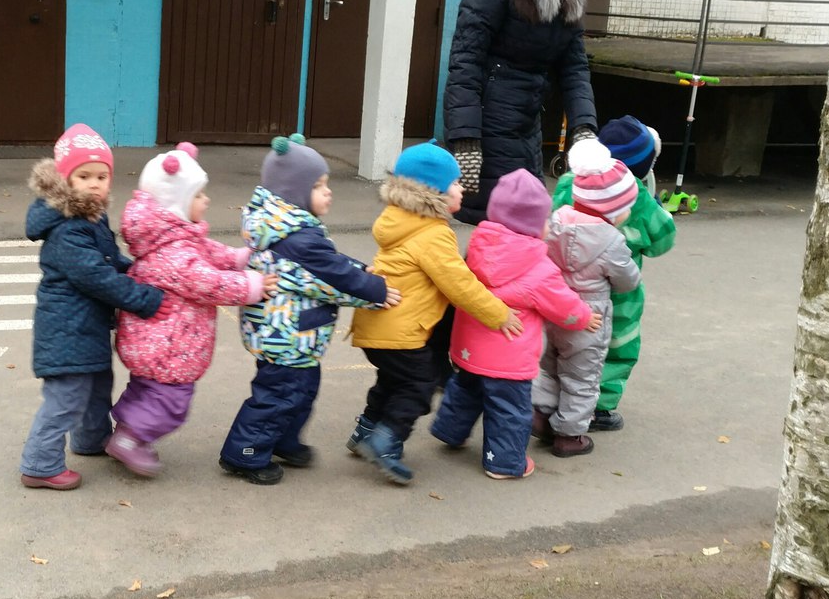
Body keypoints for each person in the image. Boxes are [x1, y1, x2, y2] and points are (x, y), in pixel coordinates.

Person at [219, 134, 400, 485]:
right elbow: (333, 276)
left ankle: (282, 440)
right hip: (286, 336)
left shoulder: (291, 230)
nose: (328, 192)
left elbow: (331, 263)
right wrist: (375, 289)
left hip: (287, 333)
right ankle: (244, 454)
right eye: (318, 186)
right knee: (278, 396)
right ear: (294, 191)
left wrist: (360, 270)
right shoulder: (299, 238)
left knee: (301, 391)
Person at [348, 140, 523, 485]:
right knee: (419, 384)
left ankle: (365, 430)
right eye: (456, 183)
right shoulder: (433, 235)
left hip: (377, 327)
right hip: (401, 332)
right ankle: (386, 441)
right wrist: (498, 314)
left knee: (392, 380)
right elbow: (460, 285)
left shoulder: (399, 220)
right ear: (434, 192)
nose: (462, 188)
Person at [108, 142, 276, 477]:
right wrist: (251, 286)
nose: (206, 200)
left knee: (147, 390)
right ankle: (129, 439)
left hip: (154, 342)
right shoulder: (174, 253)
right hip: (167, 348)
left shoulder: (174, 237)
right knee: (172, 402)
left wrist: (237, 258)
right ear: (175, 203)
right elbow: (206, 282)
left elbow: (207, 251)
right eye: (198, 195)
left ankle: (127, 430)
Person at [18, 123, 165, 491]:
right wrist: (143, 298)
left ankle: (91, 438)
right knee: (66, 400)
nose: (95, 184)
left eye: (102, 176)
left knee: (98, 386)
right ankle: (39, 464)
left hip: (87, 327)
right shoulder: (68, 227)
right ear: (64, 179)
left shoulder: (90, 216)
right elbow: (95, 275)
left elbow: (108, 260)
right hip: (66, 331)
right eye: (84, 176)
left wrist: (139, 271)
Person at [429, 169, 600, 479]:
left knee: (465, 390)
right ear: (532, 225)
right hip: (508, 361)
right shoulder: (539, 266)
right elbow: (562, 305)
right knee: (509, 410)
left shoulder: (478, 247)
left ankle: (449, 430)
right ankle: (504, 462)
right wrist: (585, 317)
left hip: (468, 350)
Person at [443, 0, 598, 224]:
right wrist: (465, 138)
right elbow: (465, 62)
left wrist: (584, 128)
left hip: (528, 122)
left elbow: (574, 66)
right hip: (488, 122)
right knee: (501, 224)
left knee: (524, 224)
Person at [551, 115, 676, 431]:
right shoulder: (638, 198)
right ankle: (599, 408)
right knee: (616, 348)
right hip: (618, 295)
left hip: (562, 286)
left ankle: (551, 401)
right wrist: (655, 205)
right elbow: (663, 240)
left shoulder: (569, 182)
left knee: (559, 344)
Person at [531, 139, 641, 457]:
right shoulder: (612, 242)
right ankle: (569, 435)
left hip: (552, 309)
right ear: (613, 210)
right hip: (588, 319)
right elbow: (627, 281)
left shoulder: (556, 222)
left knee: (549, 366)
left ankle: (540, 415)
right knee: (582, 377)